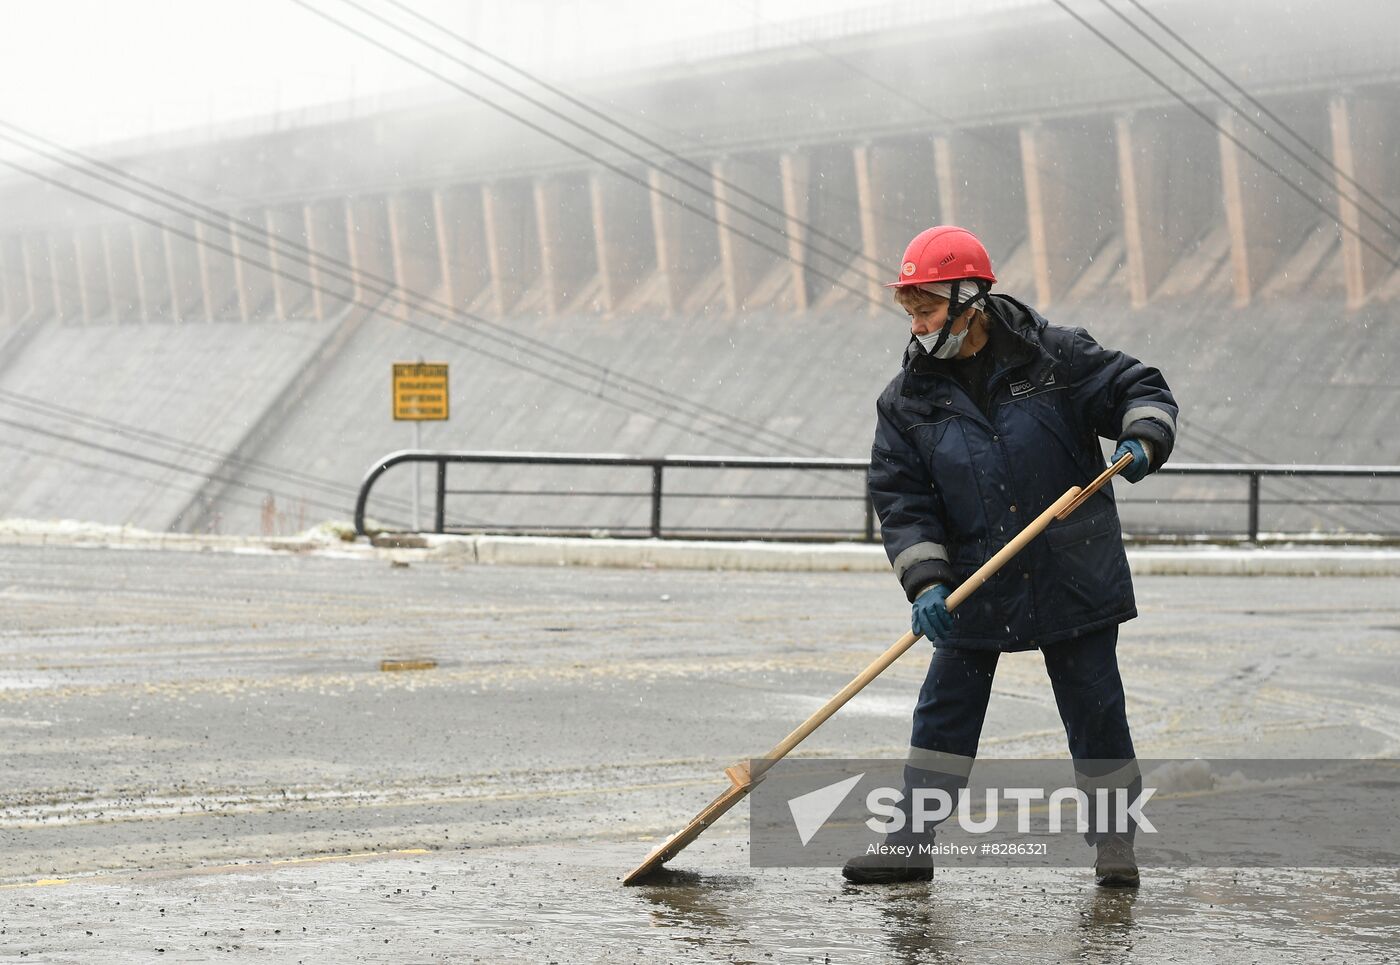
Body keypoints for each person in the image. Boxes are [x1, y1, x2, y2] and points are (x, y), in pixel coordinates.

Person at [841, 226, 1178, 888]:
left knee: (1096, 711)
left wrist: (1143, 436)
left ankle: (1115, 846)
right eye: (910, 313)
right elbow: (902, 498)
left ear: (971, 299)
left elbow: (1139, 387)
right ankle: (910, 843)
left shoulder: (1056, 357)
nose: (918, 326)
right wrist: (927, 581)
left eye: (928, 310)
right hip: (976, 577)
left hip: (1071, 571)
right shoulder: (907, 399)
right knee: (944, 710)